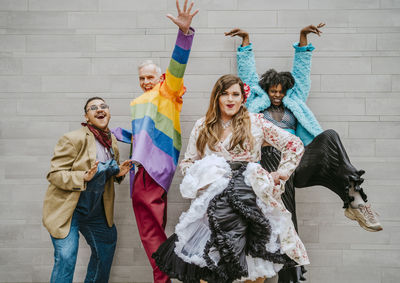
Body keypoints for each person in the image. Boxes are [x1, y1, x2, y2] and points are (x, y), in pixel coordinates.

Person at [225, 24, 382, 282]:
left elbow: (302, 72)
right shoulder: (255, 104)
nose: (276, 95)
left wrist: (303, 39)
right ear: (266, 89)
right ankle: (293, 277)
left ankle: (353, 197)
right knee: (286, 218)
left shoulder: (294, 101)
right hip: (268, 166)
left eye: (280, 91)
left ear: (286, 90)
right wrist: (246, 41)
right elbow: (247, 75)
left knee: (330, 135)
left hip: (296, 162)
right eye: (272, 91)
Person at [152, 74, 309, 283]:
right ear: (216, 97)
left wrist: (280, 174)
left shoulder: (255, 123)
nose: (230, 99)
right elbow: (188, 163)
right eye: (224, 94)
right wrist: (206, 175)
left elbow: (294, 145)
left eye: (235, 94)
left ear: (242, 98)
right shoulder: (202, 125)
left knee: (251, 272)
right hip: (214, 205)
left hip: (249, 201)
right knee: (208, 271)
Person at [111, 1, 198, 282]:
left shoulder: (167, 92)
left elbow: (177, 67)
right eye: (141, 78)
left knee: (148, 226)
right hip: (143, 167)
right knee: (154, 224)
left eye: (150, 77)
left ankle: (165, 274)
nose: (146, 81)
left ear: (159, 78)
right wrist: (116, 134)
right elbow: (143, 134)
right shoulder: (139, 102)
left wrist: (184, 35)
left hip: (154, 167)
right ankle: (166, 272)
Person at [43, 97, 132, 283]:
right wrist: (82, 176)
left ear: (108, 112)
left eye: (103, 106)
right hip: (69, 210)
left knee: (106, 247)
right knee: (66, 257)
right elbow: (54, 175)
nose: (99, 110)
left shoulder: (111, 141)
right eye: (93, 108)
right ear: (87, 116)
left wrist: (118, 173)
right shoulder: (73, 139)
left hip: (95, 210)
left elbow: (107, 172)